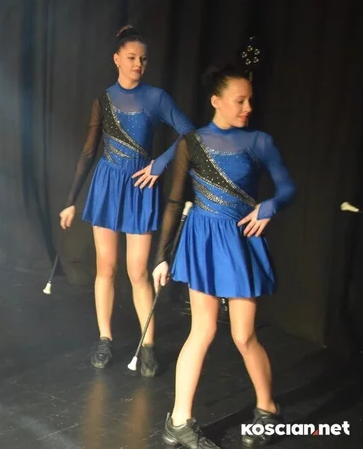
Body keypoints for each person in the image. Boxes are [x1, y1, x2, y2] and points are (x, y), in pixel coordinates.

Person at [153, 65, 295, 449]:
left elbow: (287, 188)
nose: (248, 107)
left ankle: (268, 410)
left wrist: (270, 206)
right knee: (202, 331)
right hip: (202, 241)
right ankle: (179, 421)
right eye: (240, 100)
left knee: (244, 334)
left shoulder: (259, 141)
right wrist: (161, 256)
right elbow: (174, 201)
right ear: (217, 101)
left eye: (250, 100)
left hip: (238, 241)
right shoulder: (192, 142)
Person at [58, 26, 194, 376]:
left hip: (139, 187)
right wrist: (71, 199)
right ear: (117, 59)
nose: (138, 64)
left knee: (138, 272)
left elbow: (190, 133)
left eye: (143, 59)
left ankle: (147, 344)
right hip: (106, 186)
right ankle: (104, 338)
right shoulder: (104, 100)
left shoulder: (157, 98)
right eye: (132, 58)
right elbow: (89, 151)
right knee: (106, 267)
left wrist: (161, 164)